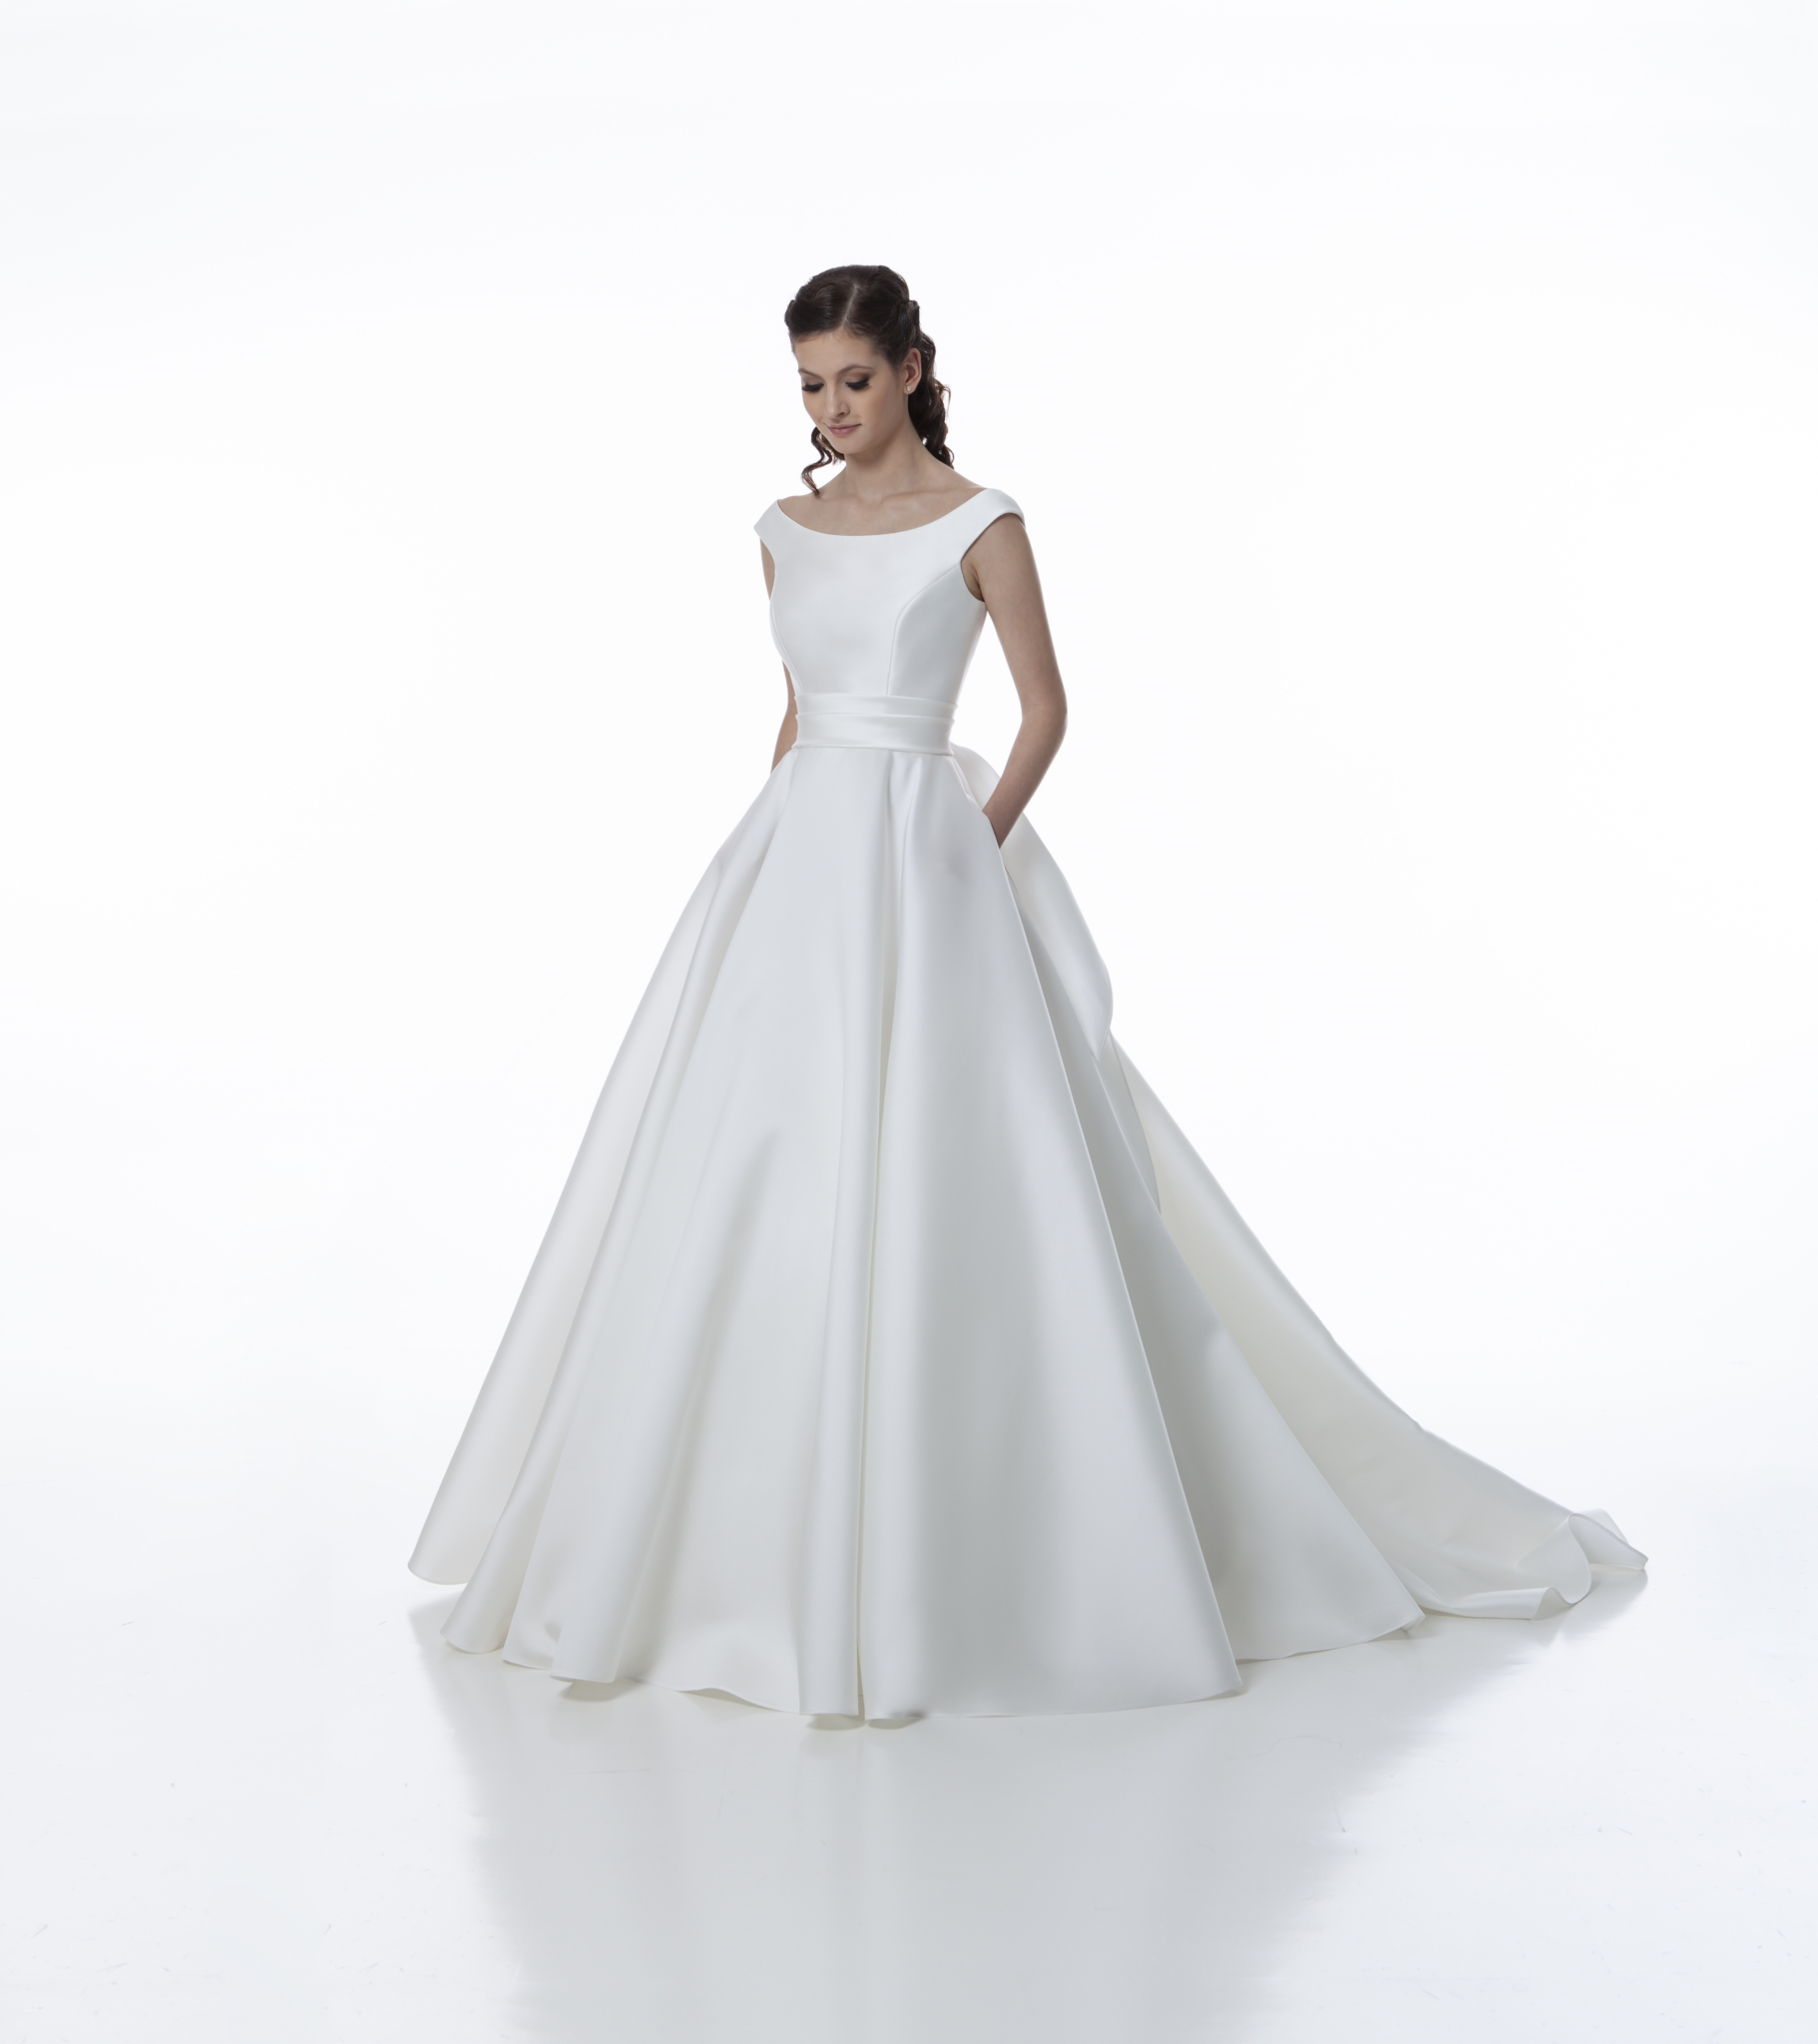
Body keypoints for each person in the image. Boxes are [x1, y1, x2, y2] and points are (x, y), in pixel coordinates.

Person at [409, 263, 1642, 1721]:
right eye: (809, 386)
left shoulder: (983, 523)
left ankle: (996, 1545)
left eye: (853, 380)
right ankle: (722, 1557)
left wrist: (971, 843)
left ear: (911, 368)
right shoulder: (782, 532)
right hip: (795, 867)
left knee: (959, 1172)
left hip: (928, 858)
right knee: (753, 1171)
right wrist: (770, 861)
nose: (830, 408)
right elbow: (798, 712)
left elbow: (1046, 707)